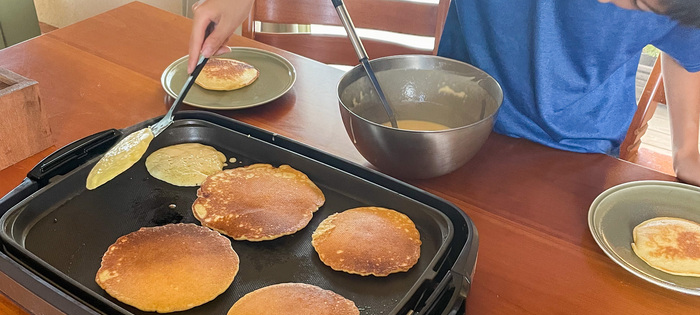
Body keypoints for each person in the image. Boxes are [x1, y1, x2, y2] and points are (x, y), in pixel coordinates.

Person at [187, 0, 700, 186]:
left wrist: (689, 150)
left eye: (640, 6)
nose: (616, 5)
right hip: (453, 134)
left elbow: (686, 49)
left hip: (577, 159)